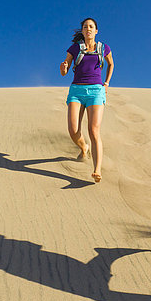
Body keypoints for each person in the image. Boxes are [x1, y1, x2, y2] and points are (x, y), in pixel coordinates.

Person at [60, 18, 114, 183]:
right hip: (76, 90)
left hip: (96, 91)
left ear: (96, 30)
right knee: (73, 129)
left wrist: (106, 83)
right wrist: (63, 68)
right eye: (85, 27)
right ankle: (84, 147)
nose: (88, 29)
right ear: (82, 31)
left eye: (91, 27)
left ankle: (97, 169)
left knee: (93, 130)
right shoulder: (75, 48)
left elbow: (111, 64)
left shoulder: (103, 48)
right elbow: (65, 70)